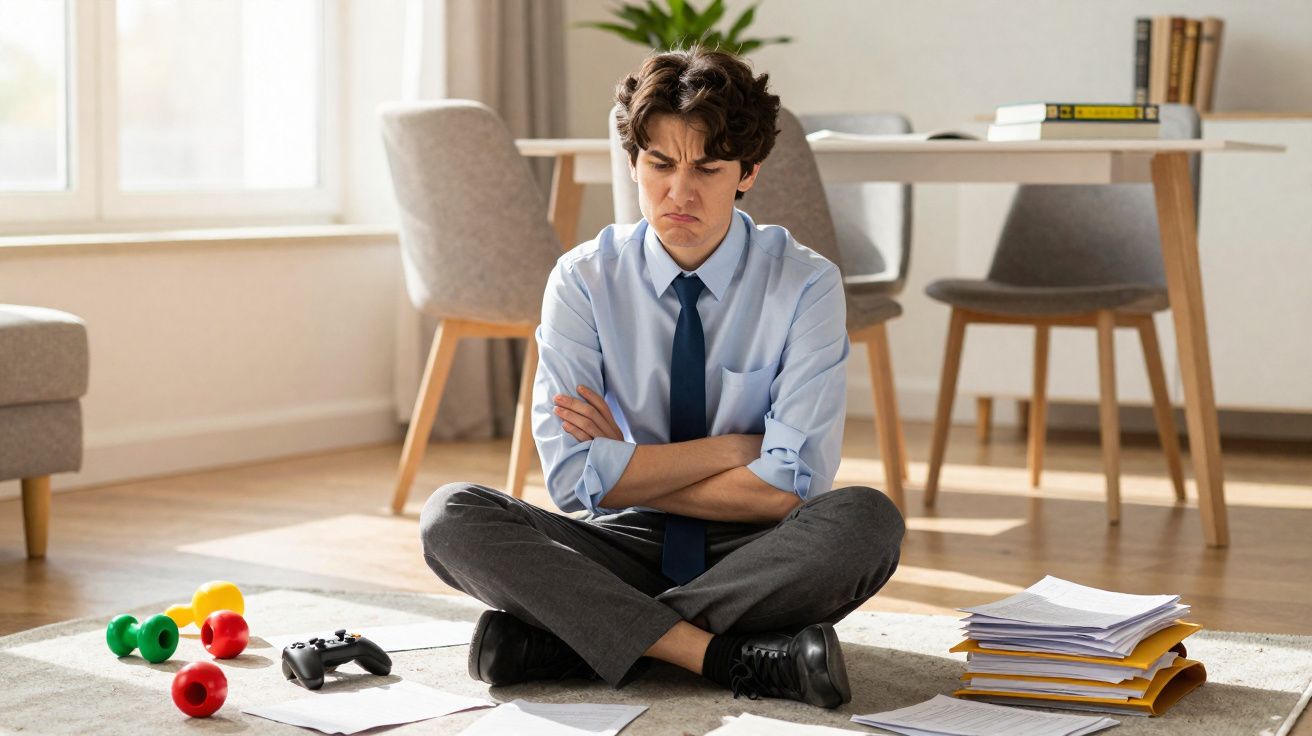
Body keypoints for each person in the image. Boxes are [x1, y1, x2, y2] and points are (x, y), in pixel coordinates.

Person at [420, 47, 903, 709]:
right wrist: (735, 450)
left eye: (708, 167)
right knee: (451, 517)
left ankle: (573, 637)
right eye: (660, 163)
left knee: (866, 522)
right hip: (622, 540)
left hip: (756, 552)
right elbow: (571, 480)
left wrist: (627, 463)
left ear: (748, 171)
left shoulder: (805, 283)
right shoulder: (583, 281)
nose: (681, 193)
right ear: (633, 162)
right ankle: (719, 654)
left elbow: (789, 489)